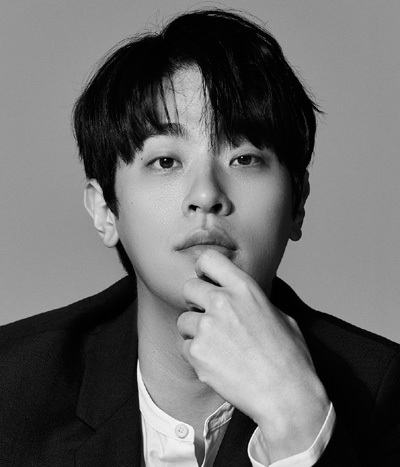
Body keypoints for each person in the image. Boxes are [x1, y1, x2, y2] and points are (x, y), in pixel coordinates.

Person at [0, 8, 399, 467]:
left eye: (245, 158)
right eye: (166, 162)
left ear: (297, 201)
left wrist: (296, 422)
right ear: (105, 210)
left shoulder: (384, 394)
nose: (207, 196)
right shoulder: (13, 387)